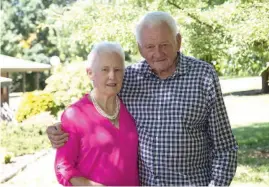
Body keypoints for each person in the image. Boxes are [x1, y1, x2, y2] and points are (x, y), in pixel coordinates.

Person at [47, 11, 238, 186]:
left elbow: (225, 148)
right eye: (150, 46)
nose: (157, 53)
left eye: (164, 45)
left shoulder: (203, 75)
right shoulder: (128, 78)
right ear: (140, 48)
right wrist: (61, 127)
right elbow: (97, 105)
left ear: (178, 41)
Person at [53, 41, 139, 186]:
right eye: (105, 69)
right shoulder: (74, 115)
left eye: (118, 70)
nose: (112, 76)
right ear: (90, 73)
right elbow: (63, 167)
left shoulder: (132, 108)